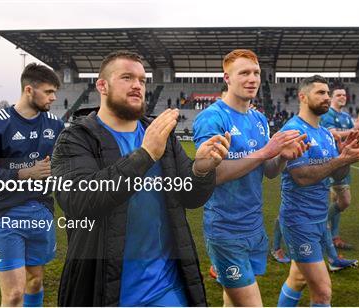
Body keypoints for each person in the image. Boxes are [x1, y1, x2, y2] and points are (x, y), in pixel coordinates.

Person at [51, 50, 230, 306]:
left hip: (168, 288)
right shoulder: (76, 138)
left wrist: (201, 169)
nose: (137, 85)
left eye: (142, 80)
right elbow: (78, 200)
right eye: (126, 77)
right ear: (102, 85)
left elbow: (190, 197)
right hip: (108, 290)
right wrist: (145, 155)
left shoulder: (160, 133)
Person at [193, 49, 307, 306]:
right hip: (225, 229)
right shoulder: (212, 118)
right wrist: (265, 151)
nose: (252, 78)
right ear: (227, 78)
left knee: (232, 301)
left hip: (254, 227)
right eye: (244, 72)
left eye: (256, 73)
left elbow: (268, 171)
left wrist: (283, 156)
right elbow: (213, 175)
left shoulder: (259, 119)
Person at [0, 63, 64, 306]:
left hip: (41, 211)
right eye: (48, 92)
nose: (54, 97)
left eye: (55, 92)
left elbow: (67, 164)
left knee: (35, 281)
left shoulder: (55, 125)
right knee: (13, 294)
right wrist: (25, 173)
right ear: (29, 90)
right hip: (4, 215)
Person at [277, 75, 359, 307]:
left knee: (297, 278)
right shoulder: (293, 130)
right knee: (322, 291)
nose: (326, 97)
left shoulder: (326, 134)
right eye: (320, 93)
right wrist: (338, 161)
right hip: (299, 220)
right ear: (302, 96)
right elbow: (301, 177)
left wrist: (344, 158)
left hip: (319, 219)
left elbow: (337, 175)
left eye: (328, 93)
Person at [320, 87, 359, 250]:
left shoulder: (346, 116)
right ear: (332, 98)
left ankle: (334, 237)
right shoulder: (328, 114)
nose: (342, 97)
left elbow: (353, 136)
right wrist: (355, 127)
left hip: (344, 164)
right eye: (338, 95)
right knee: (343, 200)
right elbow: (333, 135)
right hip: (333, 163)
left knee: (338, 201)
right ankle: (318, 227)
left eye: (344, 95)